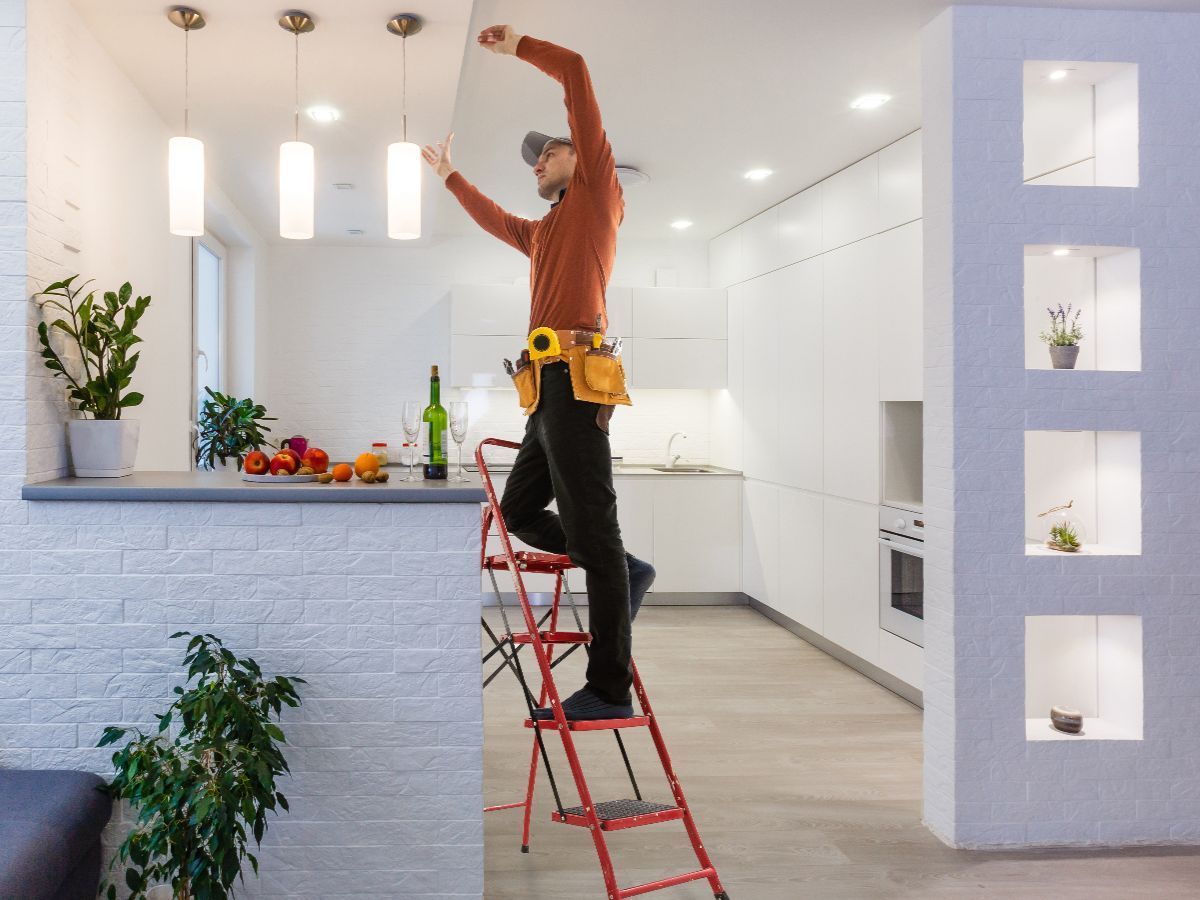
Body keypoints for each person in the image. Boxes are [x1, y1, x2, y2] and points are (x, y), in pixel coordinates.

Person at [422, 24, 654, 721]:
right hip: (544, 388)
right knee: (519, 509)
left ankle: (609, 685)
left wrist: (519, 44)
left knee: (594, 532)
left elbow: (578, 71)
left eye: (547, 152)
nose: (536, 163)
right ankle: (620, 567)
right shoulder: (545, 230)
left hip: (578, 381)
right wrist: (448, 177)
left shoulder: (596, 197)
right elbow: (498, 220)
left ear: (581, 158)